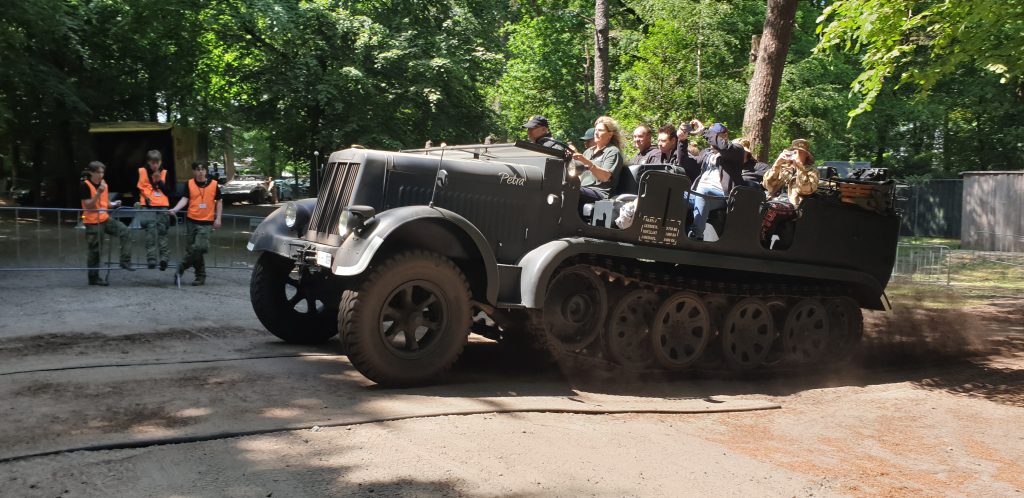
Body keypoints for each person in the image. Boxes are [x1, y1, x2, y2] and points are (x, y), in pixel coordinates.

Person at [681, 120, 746, 240]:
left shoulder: (736, 150)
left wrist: (704, 131)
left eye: (715, 136)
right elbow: (685, 163)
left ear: (725, 136)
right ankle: (671, 231)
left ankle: (696, 235)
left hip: (722, 197)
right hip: (698, 194)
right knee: (675, 194)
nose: (711, 140)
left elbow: (724, 147)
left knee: (703, 191)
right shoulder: (707, 153)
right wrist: (682, 140)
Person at [168, 162, 223, 286]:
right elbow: (185, 199)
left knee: (199, 247)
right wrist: (175, 209)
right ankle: (200, 276)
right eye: (198, 169)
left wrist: (218, 218)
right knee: (193, 250)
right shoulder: (189, 184)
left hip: (207, 221)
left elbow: (219, 201)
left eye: (203, 169)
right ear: (194, 171)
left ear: (206, 171)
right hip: (192, 220)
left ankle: (181, 267)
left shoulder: (214, 184)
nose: (201, 172)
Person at [80, 161, 134, 285]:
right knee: (95, 250)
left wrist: (114, 204)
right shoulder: (85, 185)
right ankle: (93, 278)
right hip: (92, 221)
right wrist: (98, 192)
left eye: (102, 172)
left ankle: (125, 260)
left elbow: (105, 203)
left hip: (105, 218)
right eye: (98, 172)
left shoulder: (104, 184)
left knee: (125, 231)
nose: (101, 175)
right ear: (91, 173)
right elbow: (88, 205)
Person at [571, 115, 624, 204]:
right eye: (595, 130)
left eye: (600, 130)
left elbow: (605, 177)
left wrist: (587, 162)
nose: (596, 133)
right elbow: (579, 175)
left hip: (600, 194)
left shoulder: (612, 152)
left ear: (610, 134)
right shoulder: (588, 152)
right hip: (583, 189)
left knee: (572, 190)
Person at [137, 149, 171, 270]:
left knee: (163, 233)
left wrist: (159, 182)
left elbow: (169, 191)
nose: (155, 165)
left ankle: (164, 259)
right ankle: (151, 259)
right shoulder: (141, 172)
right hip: (147, 207)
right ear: (148, 162)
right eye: (153, 163)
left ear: (161, 162)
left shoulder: (165, 173)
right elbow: (136, 188)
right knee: (150, 234)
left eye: (157, 162)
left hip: (162, 206)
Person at [763, 138, 819, 206]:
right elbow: (767, 185)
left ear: (807, 155)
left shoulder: (812, 171)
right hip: (774, 200)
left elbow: (806, 190)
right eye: (794, 151)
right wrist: (776, 164)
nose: (797, 154)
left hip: (793, 205)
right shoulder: (784, 167)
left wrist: (800, 167)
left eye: (800, 152)